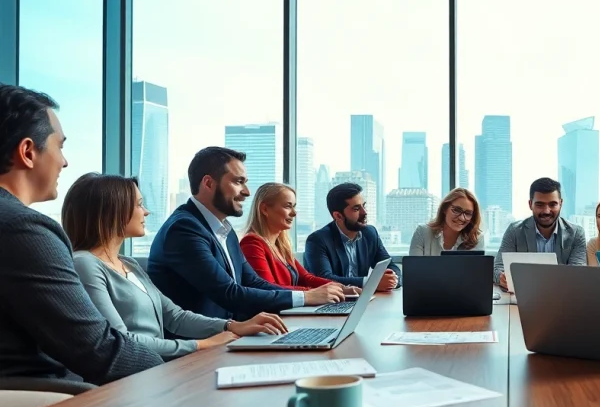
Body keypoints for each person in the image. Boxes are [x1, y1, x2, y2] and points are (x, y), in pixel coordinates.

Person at [0, 84, 162, 387]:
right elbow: (98, 351)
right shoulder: (23, 229)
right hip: (46, 398)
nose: (64, 162)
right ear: (28, 152)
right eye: (60, 146)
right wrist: (171, 376)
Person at [63, 173, 288, 359]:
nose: (146, 212)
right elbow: (120, 340)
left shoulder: (128, 264)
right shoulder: (85, 264)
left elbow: (175, 317)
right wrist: (201, 345)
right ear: (112, 211)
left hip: (155, 367)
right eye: (139, 205)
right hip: (132, 376)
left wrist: (231, 326)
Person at [148, 147, 345, 321]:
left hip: (229, 335)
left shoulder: (225, 230)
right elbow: (229, 293)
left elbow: (253, 282)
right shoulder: (184, 229)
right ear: (208, 183)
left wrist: (313, 295)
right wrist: (306, 297)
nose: (247, 192)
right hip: (200, 344)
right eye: (238, 182)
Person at [240, 182, 360, 295]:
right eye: (288, 206)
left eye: (294, 206)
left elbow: (305, 278)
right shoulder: (252, 244)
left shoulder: (280, 245)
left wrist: (341, 288)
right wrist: (313, 293)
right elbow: (268, 289)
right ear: (264, 209)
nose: (294, 213)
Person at [303, 182, 401, 291]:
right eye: (356, 209)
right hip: (330, 299)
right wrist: (371, 283)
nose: (364, 212)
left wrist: (393, 280)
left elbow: (391, 266)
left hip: (363, 298)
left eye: (364, 206)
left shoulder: (370, 233)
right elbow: (324, 280)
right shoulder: (317, 240)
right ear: (338, 216)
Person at [493, 177, 587, 288]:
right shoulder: (514, 231)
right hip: (523, 294)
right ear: (530, 204)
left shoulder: (576, 233)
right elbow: (497, 268)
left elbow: (578, 274)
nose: (546, 211)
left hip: (562, 295)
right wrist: (501, 277)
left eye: (552, 204)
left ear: (561, 204)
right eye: (540, 205)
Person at [409, 187, 485, 255]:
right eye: (457, 210)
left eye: (468, 213)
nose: (462, 218)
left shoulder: (477, 239)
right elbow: (414, 265)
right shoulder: (422, 233)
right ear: (445, 209)